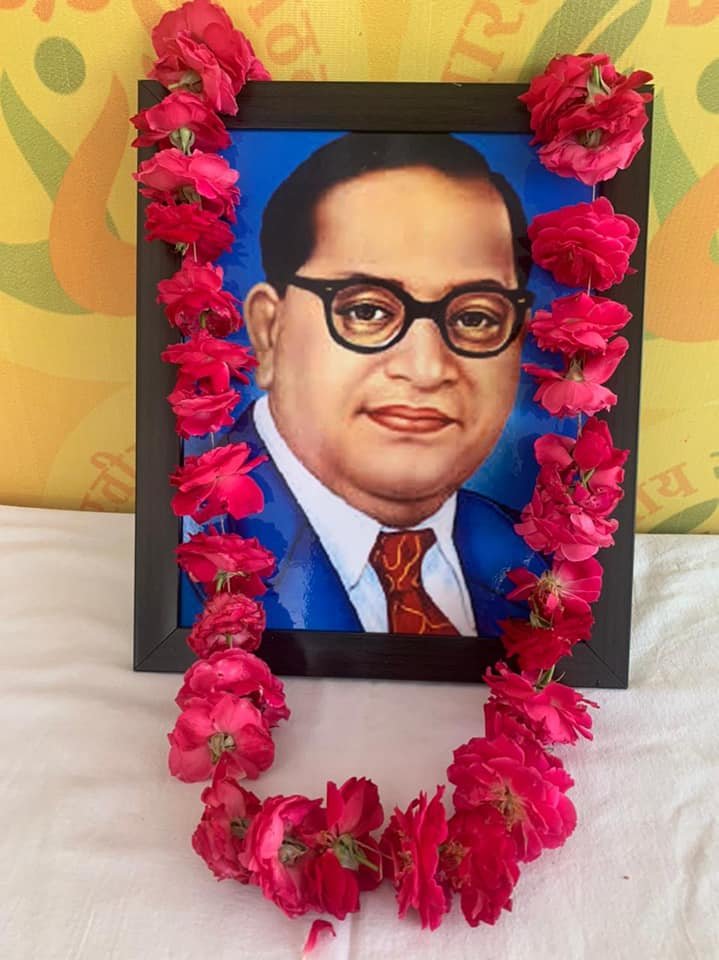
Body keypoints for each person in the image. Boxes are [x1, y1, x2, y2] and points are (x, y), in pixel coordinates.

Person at [205, 132, 545, 637]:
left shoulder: (539, 567)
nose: (426, 369)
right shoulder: (194, 553)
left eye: (476, 318)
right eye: (366, 311)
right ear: (268, 332)